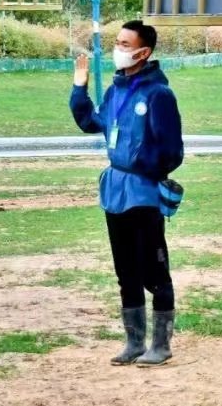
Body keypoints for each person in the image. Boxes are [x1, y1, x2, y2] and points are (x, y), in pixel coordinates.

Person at [70, 20, 184, 367]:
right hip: (115, 191)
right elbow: (91, 122)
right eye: (116, 41)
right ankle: (134, 342)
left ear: (143, 52)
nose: (116, 48)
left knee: (154, 270)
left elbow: (172, 151)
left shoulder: (158, 95)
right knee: (125, 271)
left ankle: (160, 345)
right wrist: (79, 85)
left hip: (144, 193)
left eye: (123, 43)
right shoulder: (116, 90)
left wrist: (143, 166)